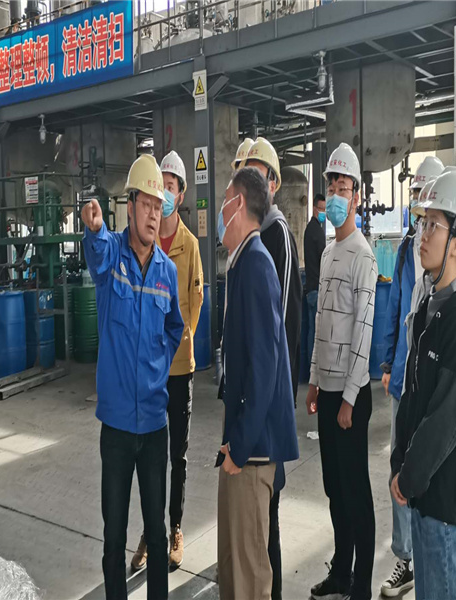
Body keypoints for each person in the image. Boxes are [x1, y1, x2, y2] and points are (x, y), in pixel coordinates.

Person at [81, 154, 184, 600]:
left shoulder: (167, 271)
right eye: (146, 205)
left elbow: (174, 327)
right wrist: (94, 227)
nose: (153, 215)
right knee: (114, 536)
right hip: (118, 427)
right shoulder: (111, 259)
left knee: (157, 535)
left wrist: (157, 365)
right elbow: (97, 247)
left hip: (155, 425)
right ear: (130, 206)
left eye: (159, 207)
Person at [390, 167, 456, 600]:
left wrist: (409, 475)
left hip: (447, 508)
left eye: (433, 225)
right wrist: (400, 463)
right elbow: (412, 400)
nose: (422, 235)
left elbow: (448, 415)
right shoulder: (430, 309)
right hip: (425, 501)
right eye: (421, 223)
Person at [216, 166, 299, 600]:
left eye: (225, 200)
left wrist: (242, 445)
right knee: (233, 569)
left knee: (249, 577)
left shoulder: (258, 264)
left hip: (253, 450)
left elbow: (266, 367)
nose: (220, 210)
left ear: (240, 205)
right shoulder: (242, 262)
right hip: (241, 445)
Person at [306, 143, 377, 600]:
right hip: (328, 390)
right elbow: (322, 324)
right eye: (331, 186)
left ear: (356, 196)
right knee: (334, 488)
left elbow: (363, 332)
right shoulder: (330, 251)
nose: (335, 193)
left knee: (356, 493)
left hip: (352, 396)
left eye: (343, 187)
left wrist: (349, 398)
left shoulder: (362, 255)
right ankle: (341, 572)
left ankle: (361, 586)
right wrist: (315, 380)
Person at [130, 151, 204, 571]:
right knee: (150, 456)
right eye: (162, 187)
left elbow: (194, 304)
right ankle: (150, 530)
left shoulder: (189, 246)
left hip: (178, 368)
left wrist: (172, 343)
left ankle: (175, 528)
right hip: (147, 370)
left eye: (172, 186)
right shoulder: (144, 241)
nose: (166, 194)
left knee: (178, 455)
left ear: (181, 193)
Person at [379, 155, 444, 598]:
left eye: (426, 197)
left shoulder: (447, 262)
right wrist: (388, 363)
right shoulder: (407, 249)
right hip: (403, 379)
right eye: (415, 196)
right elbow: (395, 310)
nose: (419, 206)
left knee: (428, 469)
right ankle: (405, 559)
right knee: (399, 466)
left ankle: (428, 554)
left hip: (430, 387)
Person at [240, 137, 302, 600]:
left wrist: (262, 403)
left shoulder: (275, 236)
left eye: (258, 174)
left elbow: (273, 334)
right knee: (258, 512)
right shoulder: (255, 237)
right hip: (255, 397)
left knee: (268, 510)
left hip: (269, 400)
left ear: (274, 184)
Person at [304, 193, 326, 369]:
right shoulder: (317, 232)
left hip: (310, 286)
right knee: (316, 332)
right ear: (314, 209)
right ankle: (314, 368)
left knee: (312, 329)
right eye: (321, 209)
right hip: (316, 288)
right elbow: (324, 260)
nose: (324, 212)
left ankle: (310, 366)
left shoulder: (309, 229)